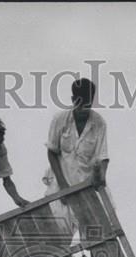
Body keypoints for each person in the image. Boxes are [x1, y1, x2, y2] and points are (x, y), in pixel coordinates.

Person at [42, 77, 110, 237]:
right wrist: (64, 186)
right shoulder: (60, 120)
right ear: (73, 100)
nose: (83, 109)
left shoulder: (99, 123)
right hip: (61, 186)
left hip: (87, 186)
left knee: (99, 234)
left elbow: (103, 157)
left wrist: (101, 176)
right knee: (59, 233)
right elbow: (52, 151)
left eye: (88, 104)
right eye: (80, 104)